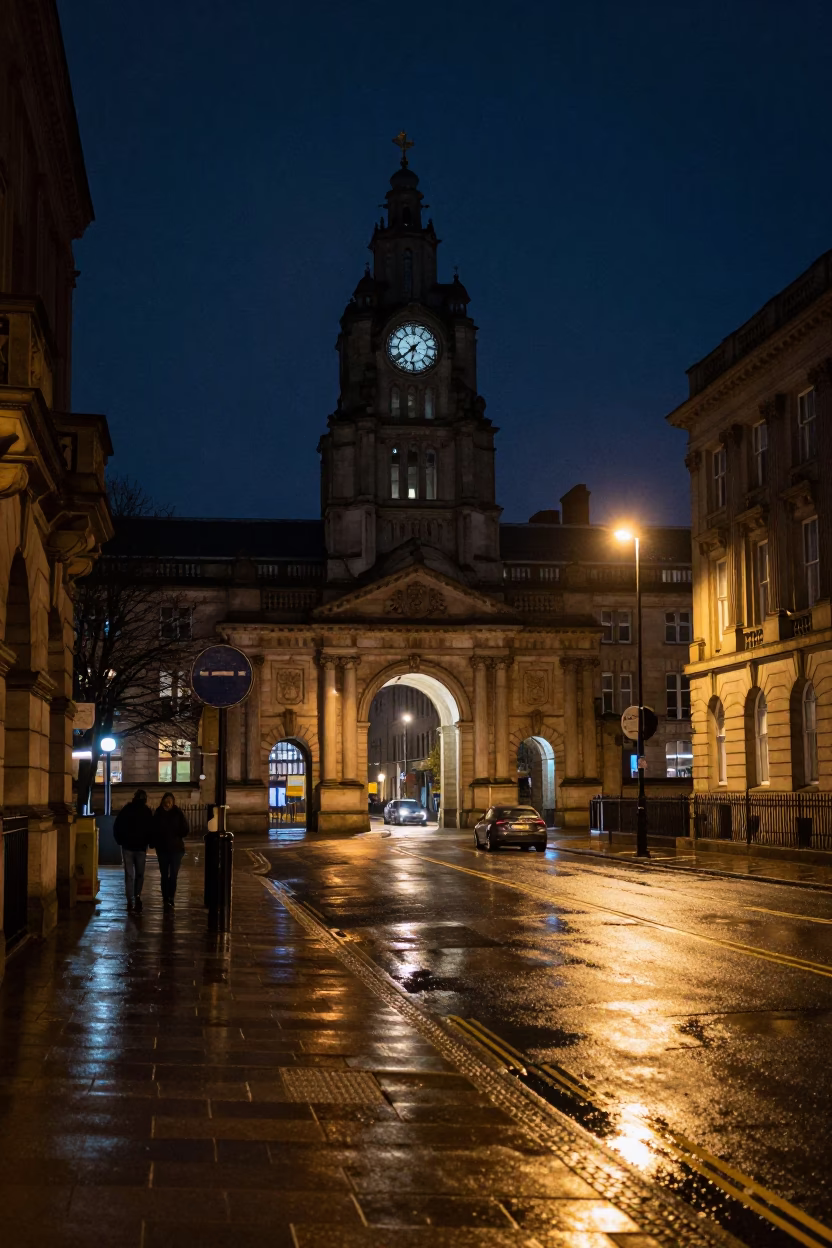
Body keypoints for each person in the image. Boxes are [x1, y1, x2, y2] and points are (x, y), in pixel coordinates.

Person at [113, 789, 153, 913]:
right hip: (139, 847)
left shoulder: (127, 809)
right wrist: (149, 842)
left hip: (129, 847)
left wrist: (120, 840)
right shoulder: (146, 811)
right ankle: (136, 897)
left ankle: (131, 899)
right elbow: (151, 828)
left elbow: (117, 825)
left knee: (130, 875)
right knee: (139, 874)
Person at [151, 792, 189, 909]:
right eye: (166, 800)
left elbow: (185, 829)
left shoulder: (177, 813)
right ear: (163, 801)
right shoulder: (158, 813)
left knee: (173, 875)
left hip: (176, 850)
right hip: (162, 849)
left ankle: (171, 898)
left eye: (170, 800)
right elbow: (153, 830)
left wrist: (176, 833)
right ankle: (165, 898)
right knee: (164, 875)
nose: (168, 802)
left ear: (173, 802)